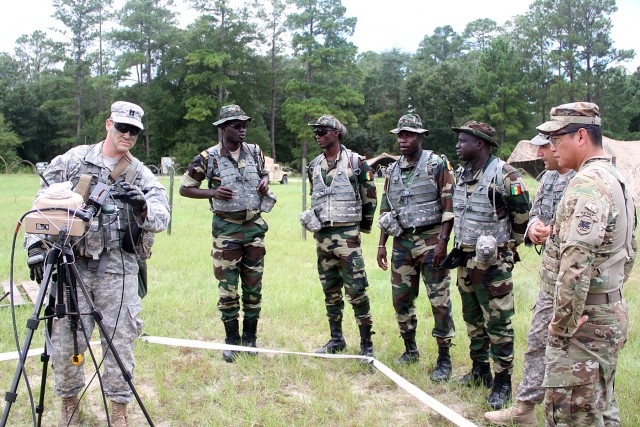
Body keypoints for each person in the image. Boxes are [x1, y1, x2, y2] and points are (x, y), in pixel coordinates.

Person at [25, 101, 171, 427]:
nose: (128, 136)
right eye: (122, 128)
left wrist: (143, 208)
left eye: (134, 131)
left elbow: (163, 215)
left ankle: (118, 413)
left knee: (120, 345)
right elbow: (40, 204)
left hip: (119, 270)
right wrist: (35, 247)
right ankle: (70, 408)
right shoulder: (72, 161)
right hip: (71, 267)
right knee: (68, 344)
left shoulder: (140, 173)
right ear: (108, 125)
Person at [536, 102, 636, 426]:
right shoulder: (616, 179)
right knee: (601, 409)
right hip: (604, 313)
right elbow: (628, 252)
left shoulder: (588, 183)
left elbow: (576, 263)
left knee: (570, 415)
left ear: (581, 135)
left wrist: (562, 324)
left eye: (557, 138)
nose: (551, 147)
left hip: (583, 326)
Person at [484, 133, 576, 425]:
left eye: (545, 146)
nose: (540, 153)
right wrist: (534, 227)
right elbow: (534, 212)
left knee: (571, 351)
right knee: (537, 340)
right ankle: (525, 408)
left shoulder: (584, 180)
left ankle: (569, 413)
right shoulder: (548, 178)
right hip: (550, 277)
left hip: (575, 280)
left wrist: (555, 231)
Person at [179, 104, 273, 363]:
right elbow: (185, 189)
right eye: (236, 125)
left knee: (253, 287)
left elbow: (263, 174)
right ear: (222, 128)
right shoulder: (207, 158)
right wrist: (212, 192)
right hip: (226, 231)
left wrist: (265, 181)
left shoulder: (255, 152)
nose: (242, 129)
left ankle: (250, 340)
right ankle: (232, 340)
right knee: (228, 289)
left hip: (254, 228)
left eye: (244, 125)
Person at [449, 120, 531, 410]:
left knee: (498, 323)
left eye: (463, 140)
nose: (458, 145)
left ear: (479, 144)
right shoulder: (461, 174)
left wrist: (506, 247)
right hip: (465, 260)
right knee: (473, 320)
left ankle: (503, 381)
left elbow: (522, 218)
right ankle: (479, 370)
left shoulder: (506, 175)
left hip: (493, 264)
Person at [376, 113, 456, 381]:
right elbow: (386, 208)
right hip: (402, 243)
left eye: (408, 134)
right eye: (400, 135)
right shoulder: (392, 170)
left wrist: (443, 243)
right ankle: (410, 349)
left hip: (432, 241)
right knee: (401, 299)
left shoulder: (437, 164)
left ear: (420, 136)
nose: (403, 139)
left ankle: (444, 358)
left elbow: (449, 207)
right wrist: (381, 244)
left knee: (439, 301)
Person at [300, 114, 377, 361]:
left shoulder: (356, 163)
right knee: (330, 289)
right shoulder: (314, 166)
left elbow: (370, 198)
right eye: (316, 132)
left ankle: (366, 344)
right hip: (323, 236)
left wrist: (360, 229)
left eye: (322, 131)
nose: (318, 136)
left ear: (336, 133)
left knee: (356, 289)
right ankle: (336, 339)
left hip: (347, 236)